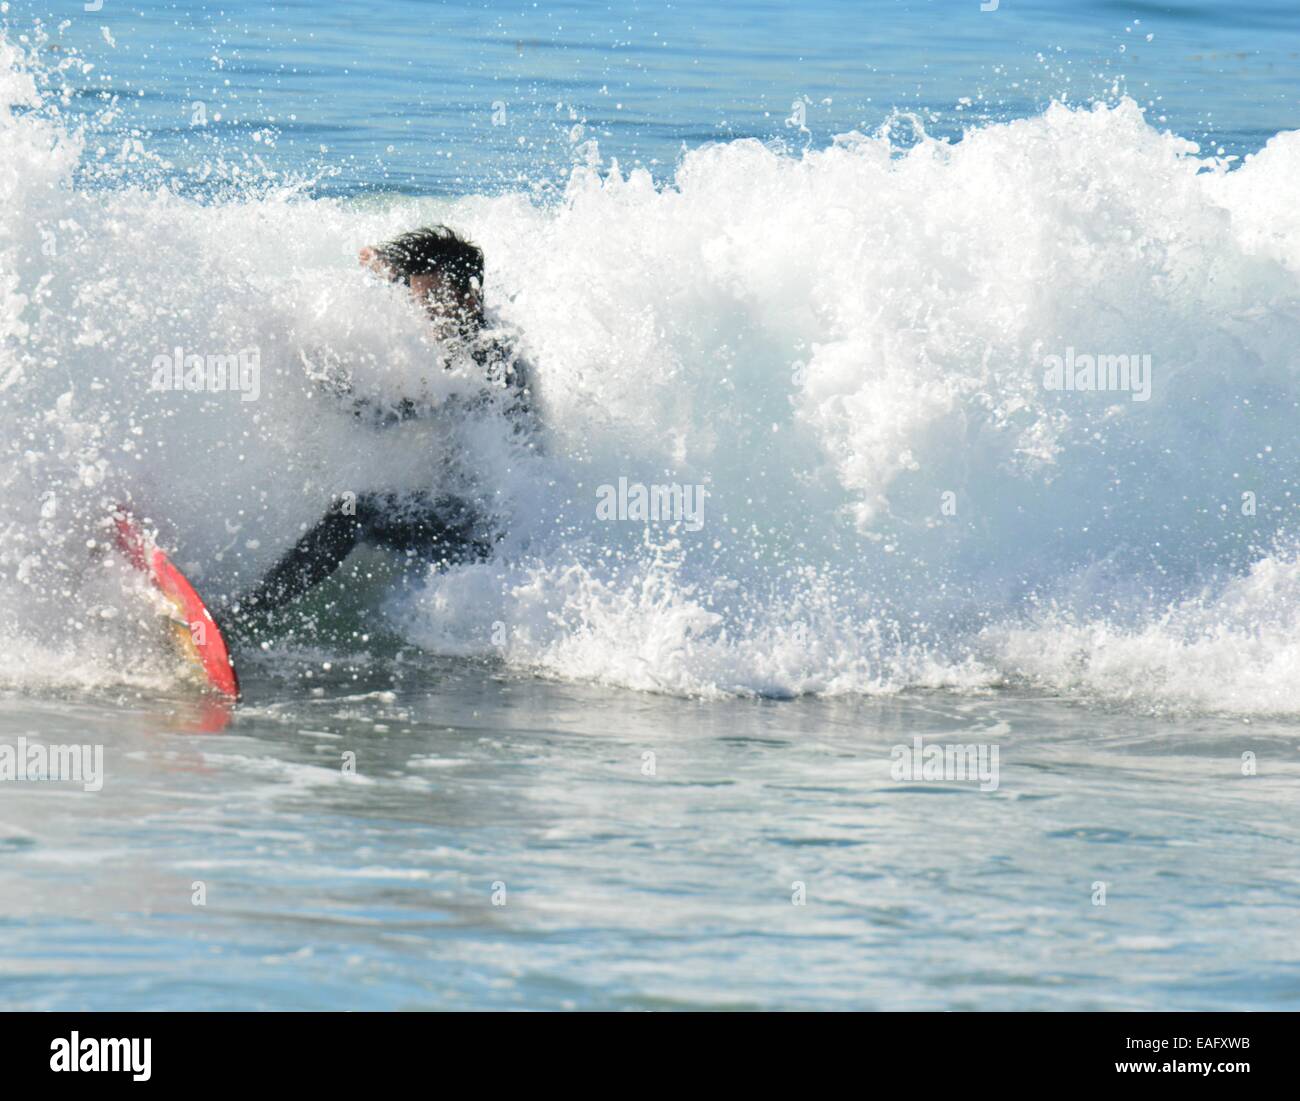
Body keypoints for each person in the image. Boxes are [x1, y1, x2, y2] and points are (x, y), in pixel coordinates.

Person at [235, 225, 532, 623]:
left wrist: (313, 369)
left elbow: (377, 418)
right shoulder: (473, 335)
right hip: (470, 517)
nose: (425, 313)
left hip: (486, 536)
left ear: (469, 296)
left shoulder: (487, 359)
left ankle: (246, 616)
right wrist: (391, 270)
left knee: (353, 512)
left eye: (434, 300)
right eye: (418, 299)